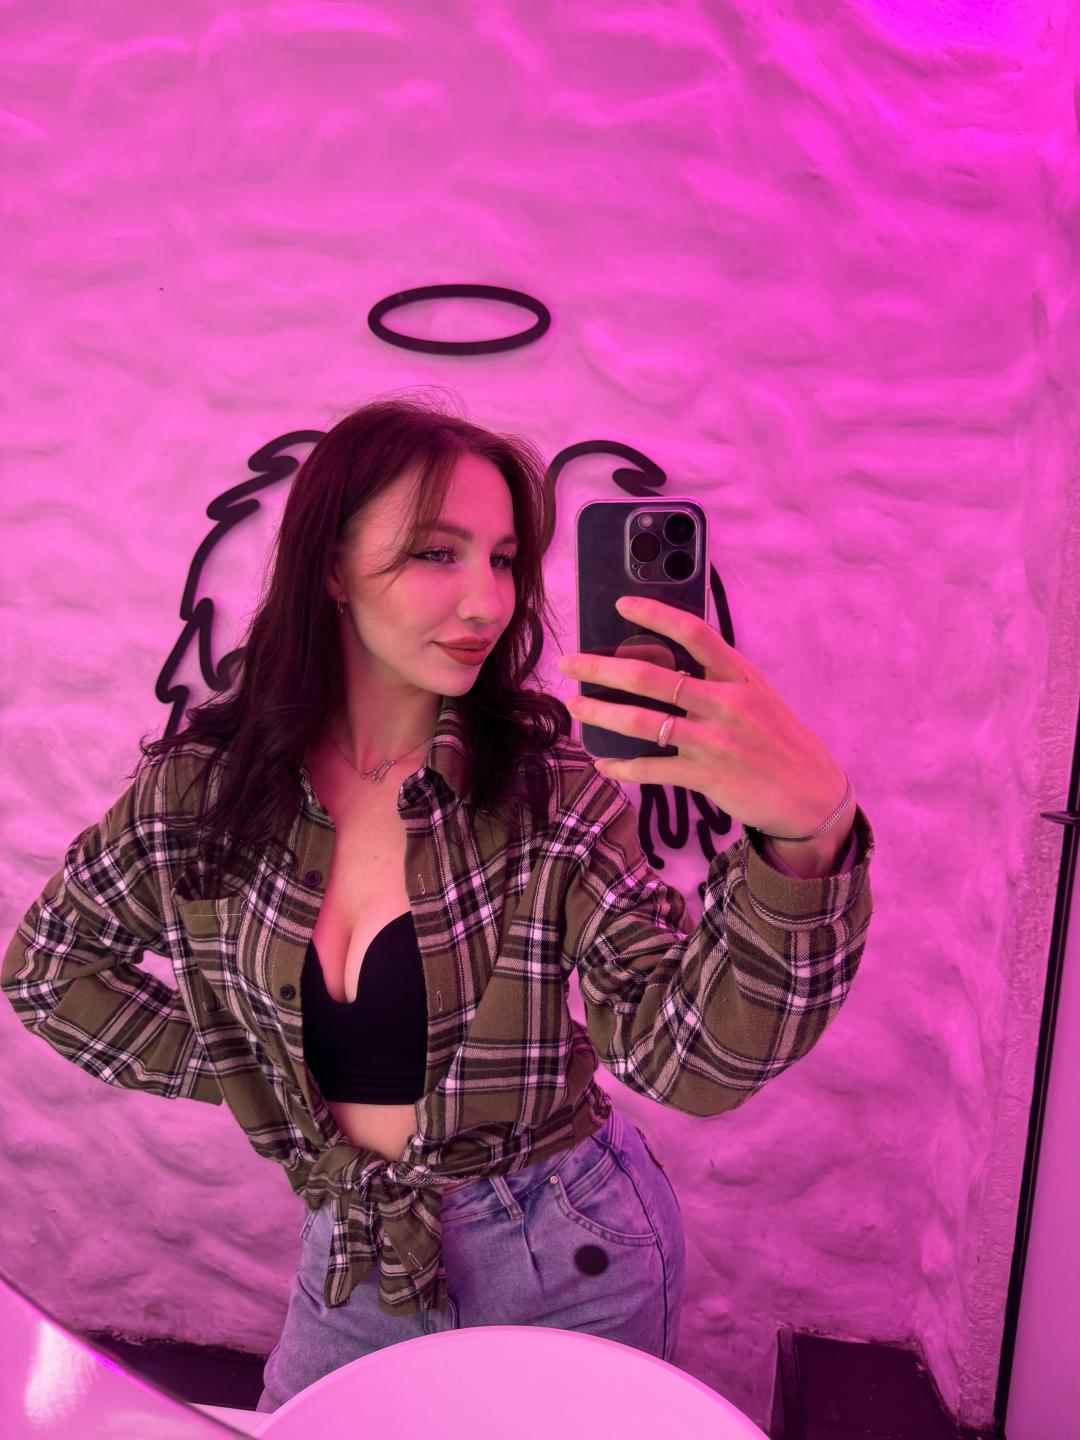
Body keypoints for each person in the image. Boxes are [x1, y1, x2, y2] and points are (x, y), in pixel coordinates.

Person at [2, 393, 875, 1412]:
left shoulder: (547, 794)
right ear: (332, 565)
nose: (487, 602)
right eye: (436, 553)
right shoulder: (199, 793)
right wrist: (256, 1074)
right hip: (355, 1253)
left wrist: (805, 843)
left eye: (503, 560)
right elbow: (51, 971)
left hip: (564, 1249)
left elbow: (682, 1060)